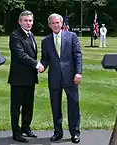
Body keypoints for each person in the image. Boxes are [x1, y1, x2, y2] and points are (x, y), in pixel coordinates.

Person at [40, 13, 82, 144]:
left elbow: (78, 55)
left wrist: (78, 73)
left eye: (57, 22)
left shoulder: (72, 36)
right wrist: (41, 66)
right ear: (49, 25)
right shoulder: (45, 41)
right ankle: (58, 133)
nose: (55, 25)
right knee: (55, 106)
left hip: (71, 77)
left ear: (62, 23)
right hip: (54, 78)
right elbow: (45, 59)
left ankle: (74, 133)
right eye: (53, 23)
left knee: (73, 105)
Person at [8, 10, 44, 143]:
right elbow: (20, 55)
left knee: (29, 106)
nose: (29, 23)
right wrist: (37, 64)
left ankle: (26, 128)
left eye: (30, 21)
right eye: (26, 20)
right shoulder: (15, 36)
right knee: (16, 108)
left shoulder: (30, 35)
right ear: (20, 21)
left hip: (30, 78)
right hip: (18, 78)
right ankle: (16, 133)